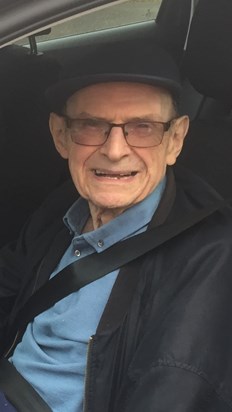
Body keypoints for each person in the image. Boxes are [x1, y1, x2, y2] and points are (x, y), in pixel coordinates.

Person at [0, 44, 232, 412]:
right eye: (91, 125)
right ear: (60, 135)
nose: (114, 150)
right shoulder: (63, 205)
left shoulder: (210, 258)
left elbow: (173, 392)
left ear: (175, 140)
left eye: (143, 128)